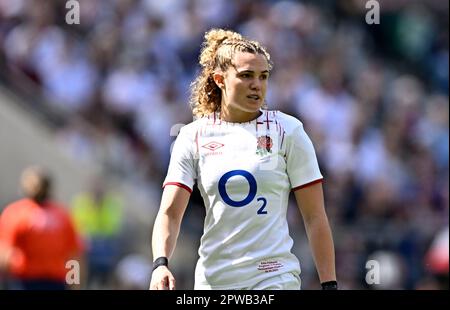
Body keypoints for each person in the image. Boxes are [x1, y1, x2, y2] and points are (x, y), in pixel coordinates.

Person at [150, 28, 337, 290]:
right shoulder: (192, 136)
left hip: (274, 276)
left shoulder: (288, 130)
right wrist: (160, 264)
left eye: (263, 76)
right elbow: (170, 213)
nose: (256, 85)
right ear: (220, 79)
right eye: (246, 76)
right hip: (214, 280)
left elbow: (315, 216)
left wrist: (329, 284)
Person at [0, 166, 84, 290]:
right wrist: (75, 283)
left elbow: (73, 254)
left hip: (42, 280)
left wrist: (74, 282)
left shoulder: (17, 213)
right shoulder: (62, 215)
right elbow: (74, 256)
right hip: (30, 279)